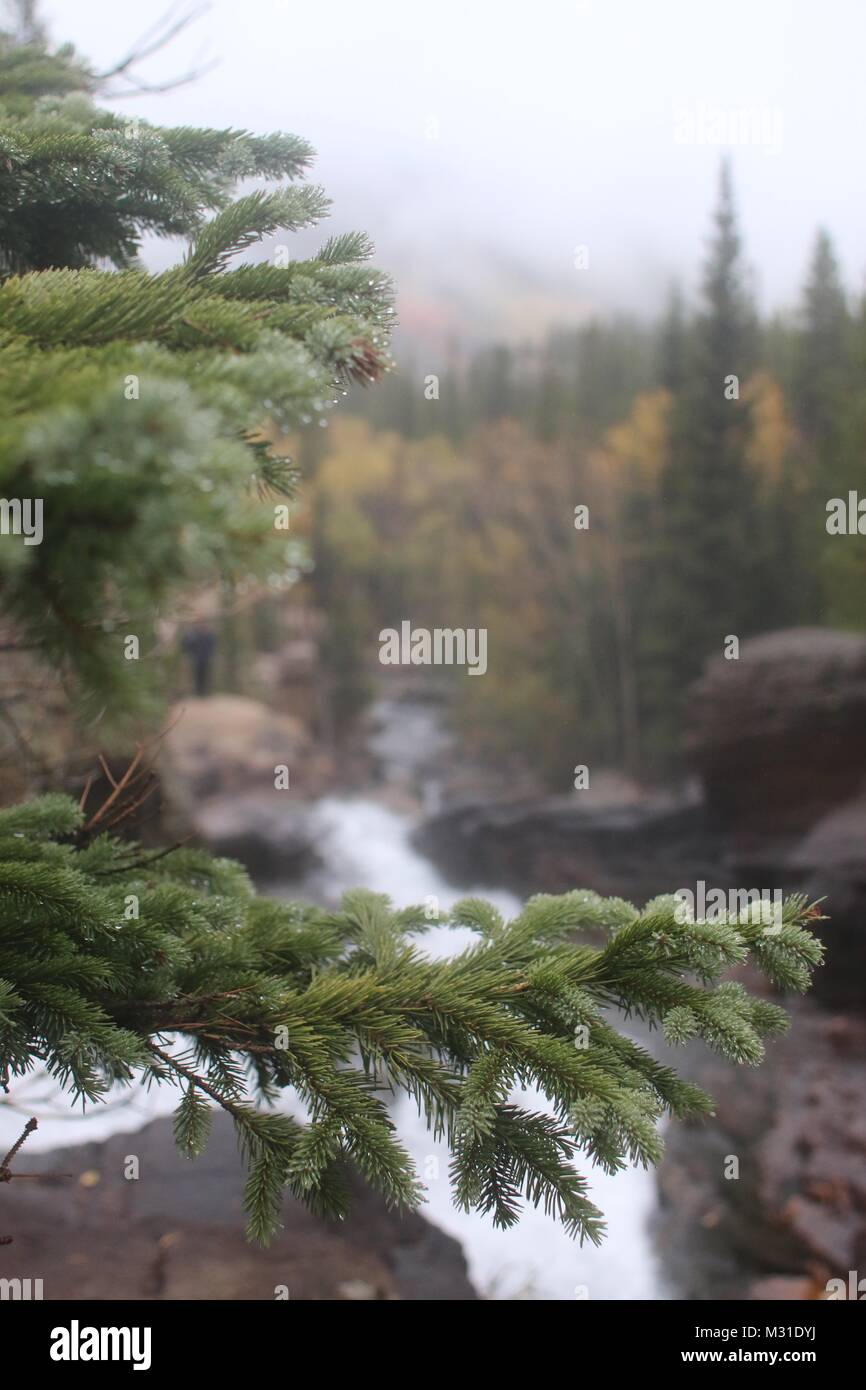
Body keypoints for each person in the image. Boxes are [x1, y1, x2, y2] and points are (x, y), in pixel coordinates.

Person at [181, 623, 217, 697]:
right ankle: (199, 691)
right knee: (197, 675)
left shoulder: (209, 636)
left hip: (206, 658)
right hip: (197, 659)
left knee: (206, 675)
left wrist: (211, 654)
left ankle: (205, 691)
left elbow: (213, 646)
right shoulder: (194, 636)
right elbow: (187, 645)